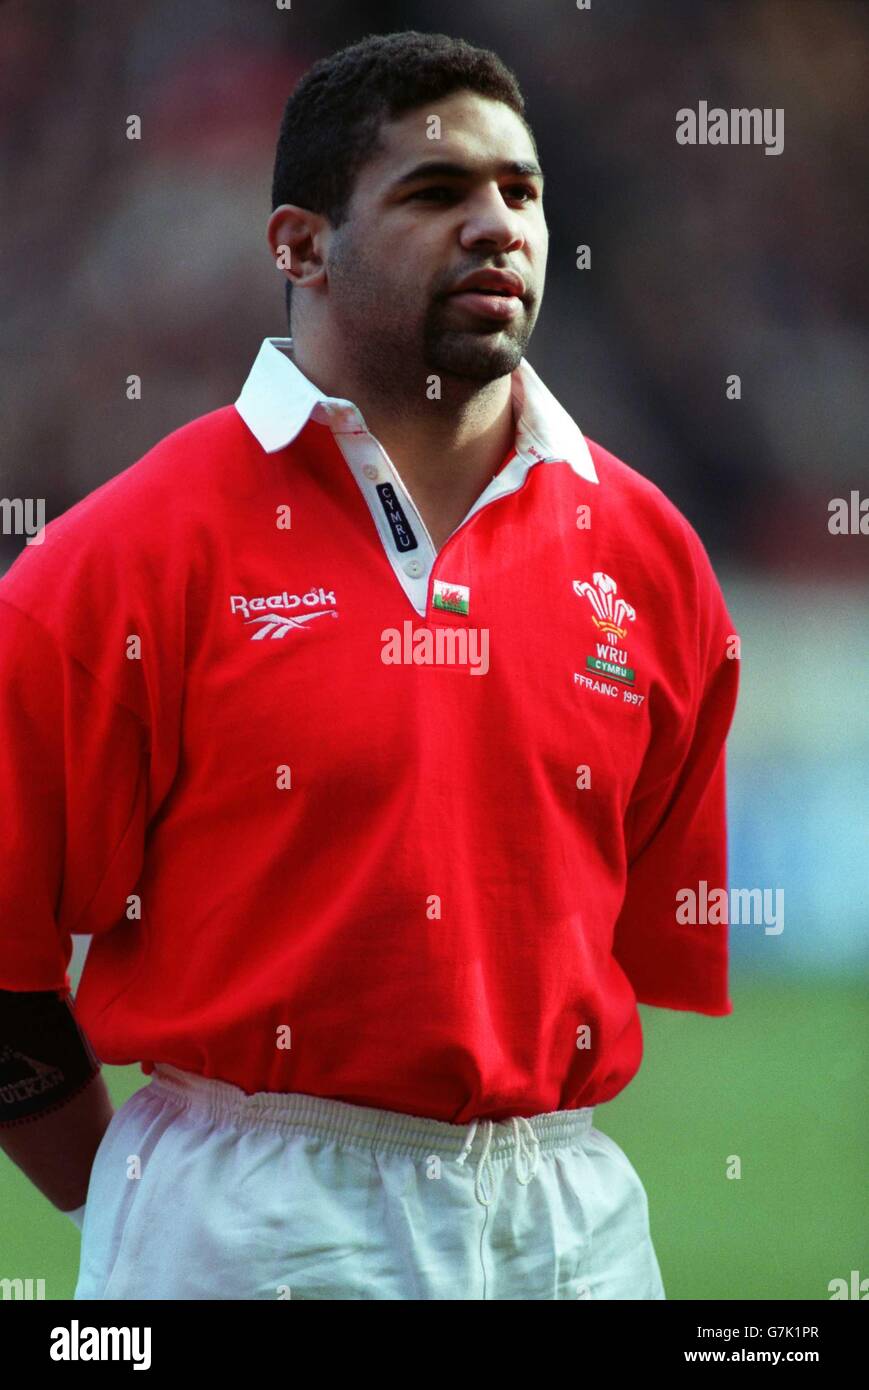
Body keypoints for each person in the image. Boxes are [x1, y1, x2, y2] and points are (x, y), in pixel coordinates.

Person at [0, 30, 739, 1300]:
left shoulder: (649, 555)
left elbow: (631, 938)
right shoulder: (122, 555)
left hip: (573, 1226)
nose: (497, 225)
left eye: (521, 191)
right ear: (298, 246)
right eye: (436, 193)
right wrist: (128, 1193)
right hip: (245, 1225)